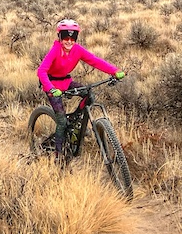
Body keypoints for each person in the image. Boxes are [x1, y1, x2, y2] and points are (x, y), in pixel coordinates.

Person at [36, 18, 125, 156]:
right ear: (59, 36)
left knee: (89, 95)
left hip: (66, 82)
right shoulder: (55, 50)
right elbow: (41, 71)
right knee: (61, 121)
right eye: (65, 37)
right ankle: (59, 156)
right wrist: (50, 88)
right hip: (53, 86)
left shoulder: (77, 50)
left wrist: (114, 71)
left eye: (73, 37)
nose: (69, 41)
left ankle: (74, 119)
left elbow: (95, 61)